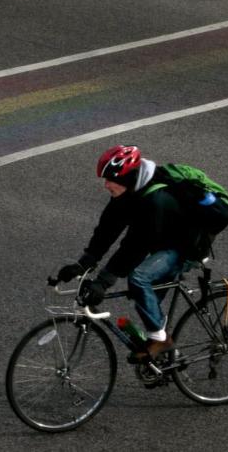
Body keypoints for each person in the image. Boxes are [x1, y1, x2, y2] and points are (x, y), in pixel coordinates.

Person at [57, 145, 200, 359]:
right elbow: (107, 229)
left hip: (183, 246)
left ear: (127, 179)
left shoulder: (155, 199)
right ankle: (164, 356)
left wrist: (103, 281)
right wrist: (84, 263)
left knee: (140, 279)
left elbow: (135, 246)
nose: (106, 185)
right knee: (144, 299)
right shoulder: (127, 193)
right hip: (159, 242)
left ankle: (162, 341)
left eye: (110, 180)